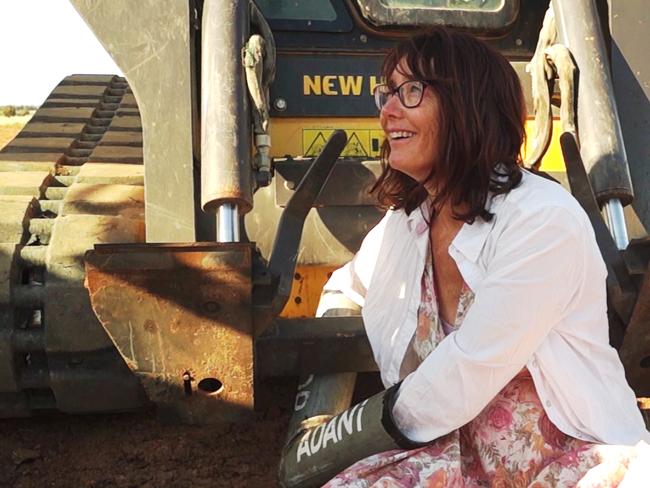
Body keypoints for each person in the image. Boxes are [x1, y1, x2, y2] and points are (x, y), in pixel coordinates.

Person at [316, 27, 650, 486]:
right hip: (444, 454)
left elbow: (475, 361)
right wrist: (315, 407)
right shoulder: (408, 222)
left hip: (563, 457)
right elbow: (345, 285)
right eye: (387, 93)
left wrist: (357, 433)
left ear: (467, 105)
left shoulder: (542, 220)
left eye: (410, 91)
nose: (387, 111)